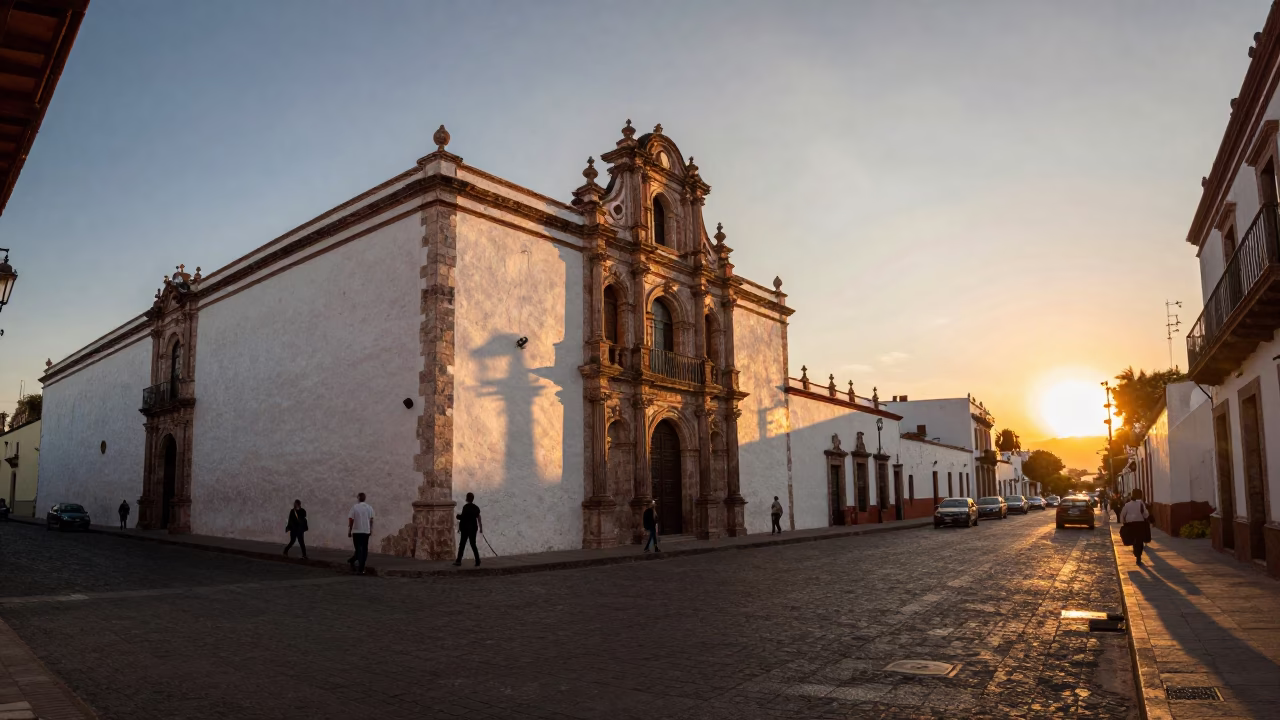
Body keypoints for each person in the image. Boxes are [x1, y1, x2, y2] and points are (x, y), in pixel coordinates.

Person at [1120, 488, 1152, 564]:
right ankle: (1139, 556)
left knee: (1133, 539)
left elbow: (1122, 515)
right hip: (1140, 525)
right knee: (1140, 540)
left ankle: (1135, 552)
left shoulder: (1127, 505)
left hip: (1131, 525)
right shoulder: (1141, 503)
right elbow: (1146, 514)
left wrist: (1123, 522)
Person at [347, 493, 375, 574]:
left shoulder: (355, 507)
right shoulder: (369, 508)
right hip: (366, 531)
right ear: (365, 498)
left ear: (358, 498)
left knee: (358, 549)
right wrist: (371, 529)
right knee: (364, 549)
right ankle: (360, 567)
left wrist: (350, 530)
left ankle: (358, 565)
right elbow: (371, 520)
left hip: (357, 531)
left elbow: (351, 519)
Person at [454, 492, 483, 567]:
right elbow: (479, 518)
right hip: (473, 528)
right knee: (473, 544)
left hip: (466, 528)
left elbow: (463, 518)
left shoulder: (465, 507)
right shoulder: (476, 508)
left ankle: (458, 561)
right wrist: (480, 528)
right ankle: (477, 560)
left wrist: (458, 517)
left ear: (467, 498)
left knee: (462, 544)